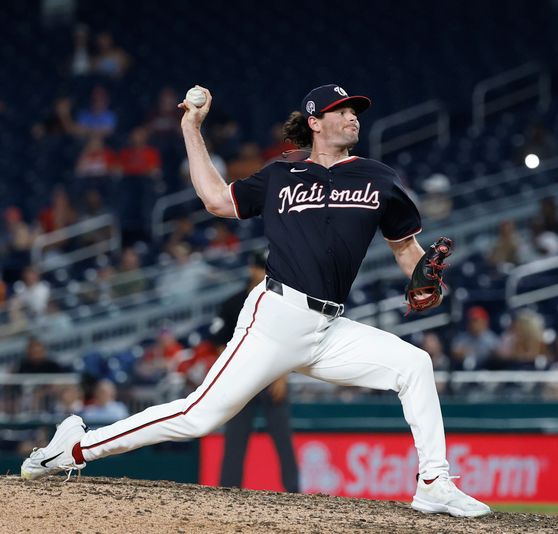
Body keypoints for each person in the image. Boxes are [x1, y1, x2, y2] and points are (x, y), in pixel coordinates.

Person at [22, 83, 490, 517]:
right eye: (341, 111)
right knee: (198, 416)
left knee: (415, 365)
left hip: (329, 329)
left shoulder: (378, 177)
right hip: (276, 317)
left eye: (355, 111)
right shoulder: (282, 172)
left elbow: (408, 253)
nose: (352, 118)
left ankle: (433, 482)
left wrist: (426, 283)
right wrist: (191, 128)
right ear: (314, 121)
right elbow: (215, 200)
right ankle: (72, 449)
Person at [212, 251, 299, 493]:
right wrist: (232, 376)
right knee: (235, 440)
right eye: (263, 268)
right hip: (241, 380)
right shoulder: (233, 303)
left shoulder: (280, 301)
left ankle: (294, 493)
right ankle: (227, 492)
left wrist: (282, 376)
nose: (266, 273)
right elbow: (219, 343)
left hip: (271, 377)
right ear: (252, 269)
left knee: (283, 440)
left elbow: (288, 343)